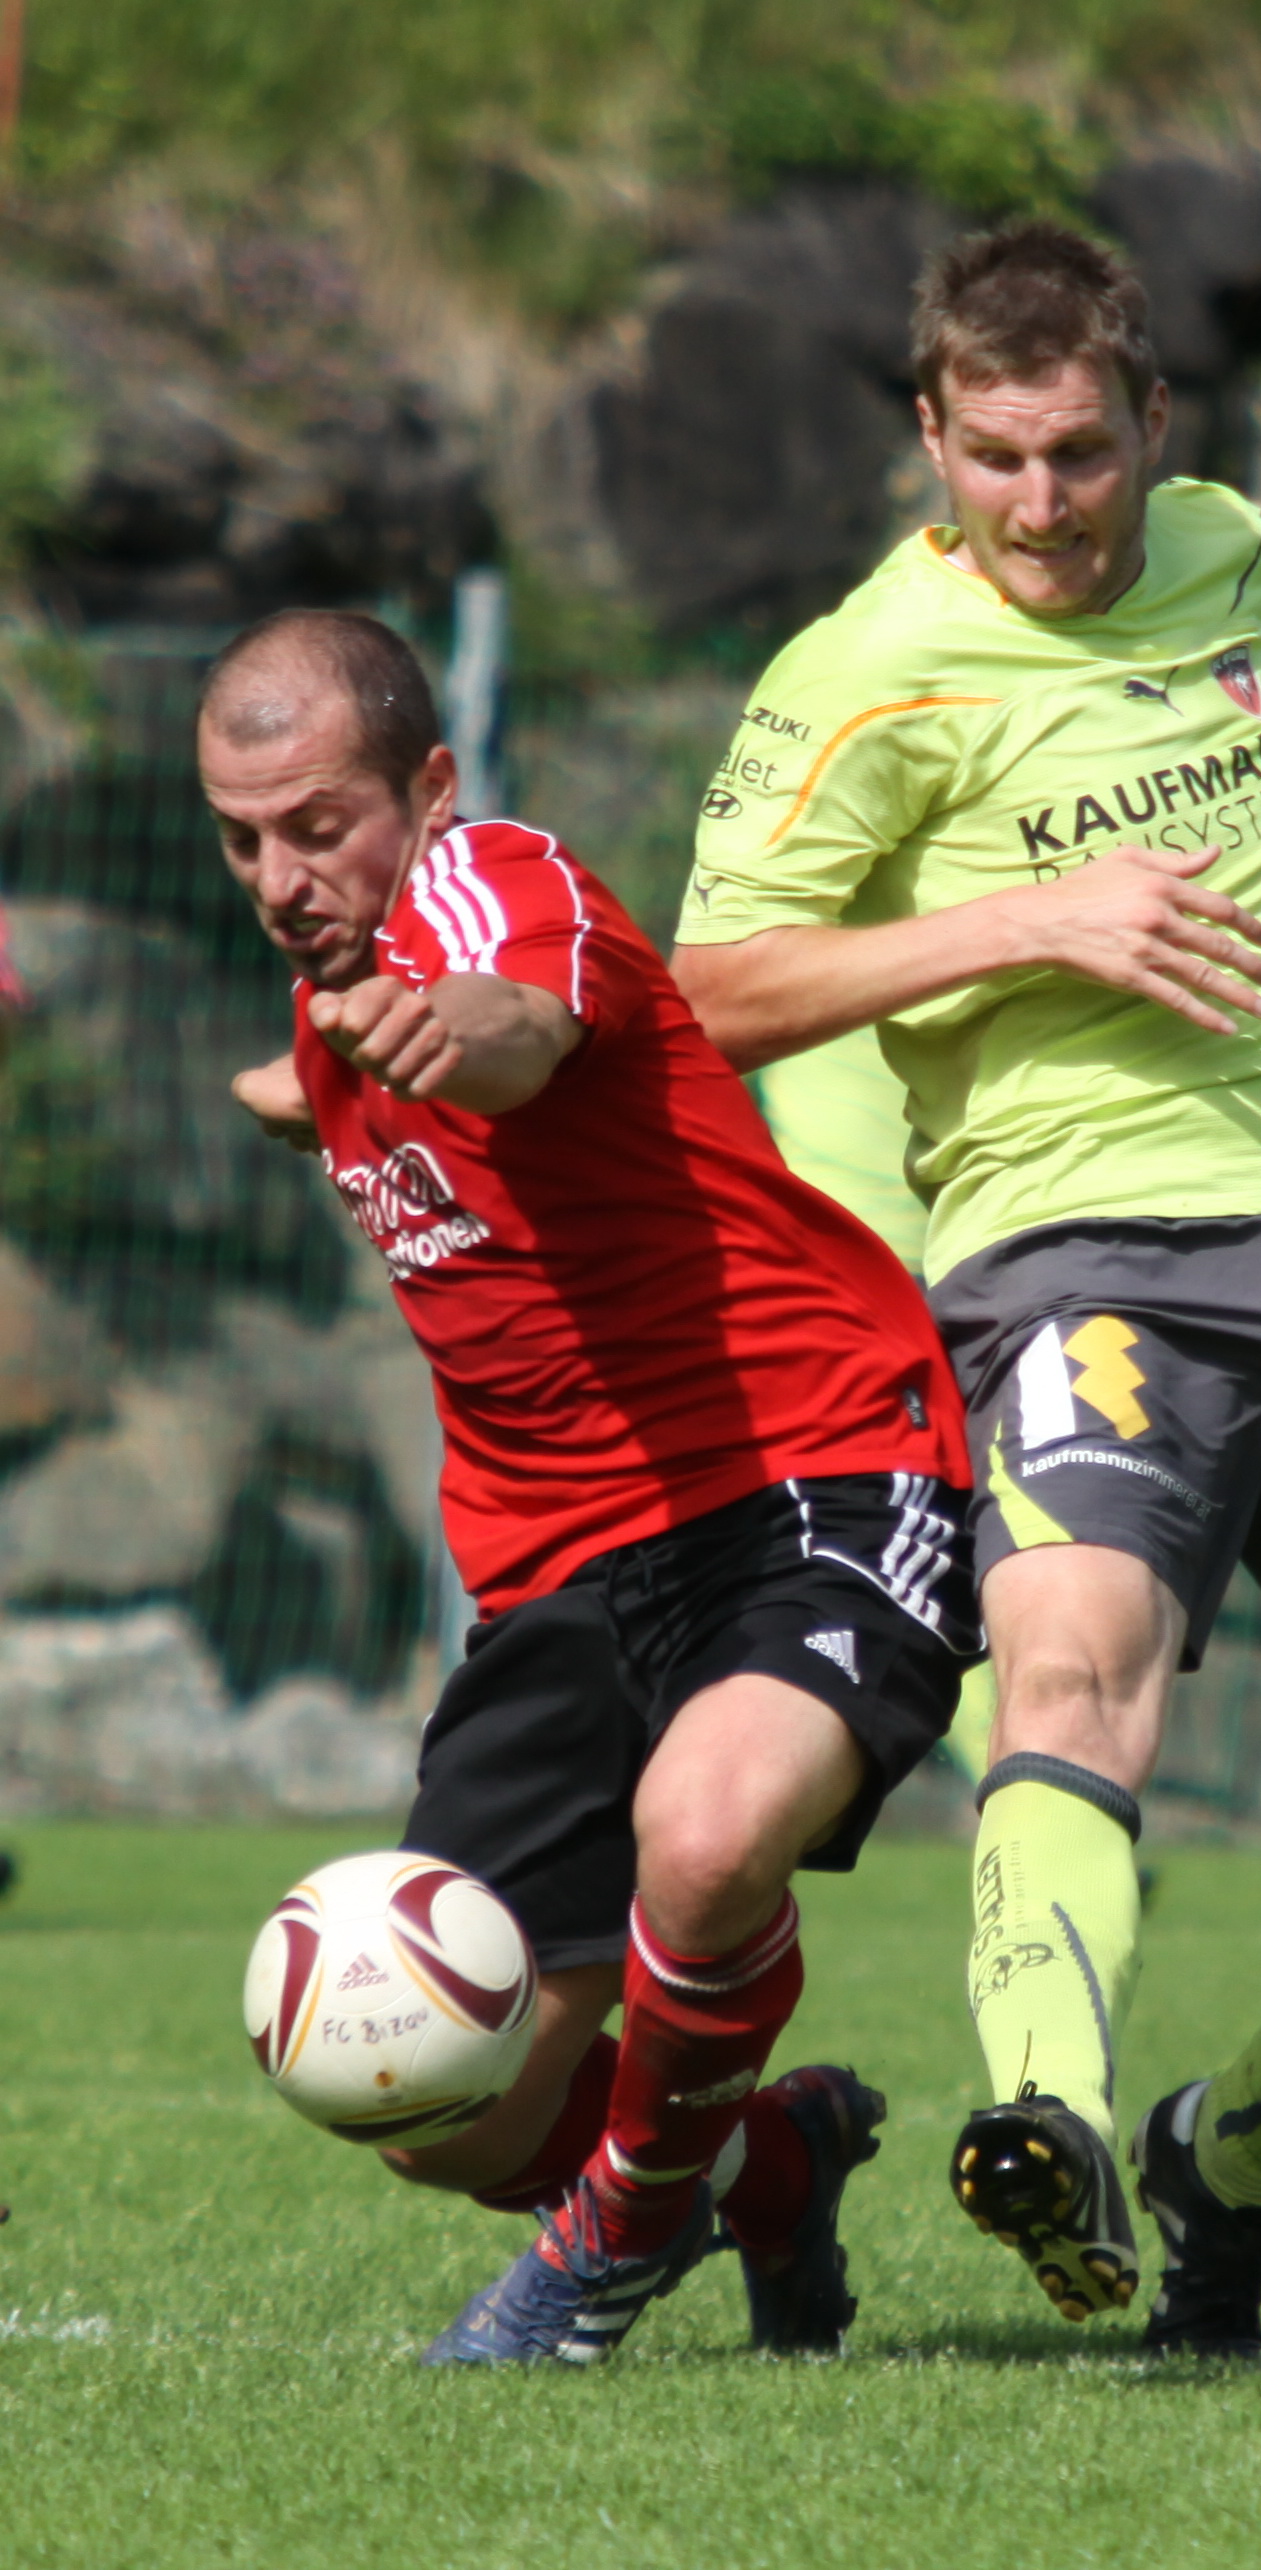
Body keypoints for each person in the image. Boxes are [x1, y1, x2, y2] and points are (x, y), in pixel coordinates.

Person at [670, 219, 1261, 2355]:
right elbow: (700, 988)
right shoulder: (856, 676)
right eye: (993, 456)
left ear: (1154, 425)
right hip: (1085, 1254)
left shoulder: (1229, 552)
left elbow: (1241, 619)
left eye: (1080, 452)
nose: (1041, 503)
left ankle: (1217, 2159)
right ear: (930, 436)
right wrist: (1030, 920)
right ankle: (1051, 2119)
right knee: (1073, 1664)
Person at [201, 607, 978, 2367]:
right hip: (556, 1576)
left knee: (704, 1840)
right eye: (243, 840)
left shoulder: (495, 885)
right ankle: (770, 2166)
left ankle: (603, 2259)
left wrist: (444, 1034)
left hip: (807, 1477)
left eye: (319, 824)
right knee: (436, 2100)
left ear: (430, 787)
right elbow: (312, 1073)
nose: (281, 878)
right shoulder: (335, 1012)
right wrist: (298, 1079)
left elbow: (518, 1023)